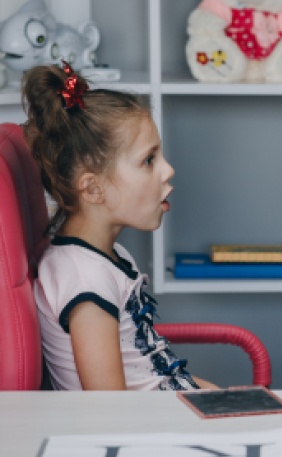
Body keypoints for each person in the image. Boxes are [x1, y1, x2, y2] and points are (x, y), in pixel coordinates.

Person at [25, 62, 219, 391]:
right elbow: (110, 410)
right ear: (93, 188)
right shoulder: (86, 279)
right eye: (149, 160)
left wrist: (222, 398)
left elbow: (158, 372)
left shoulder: (107, 257)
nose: (168, 170)